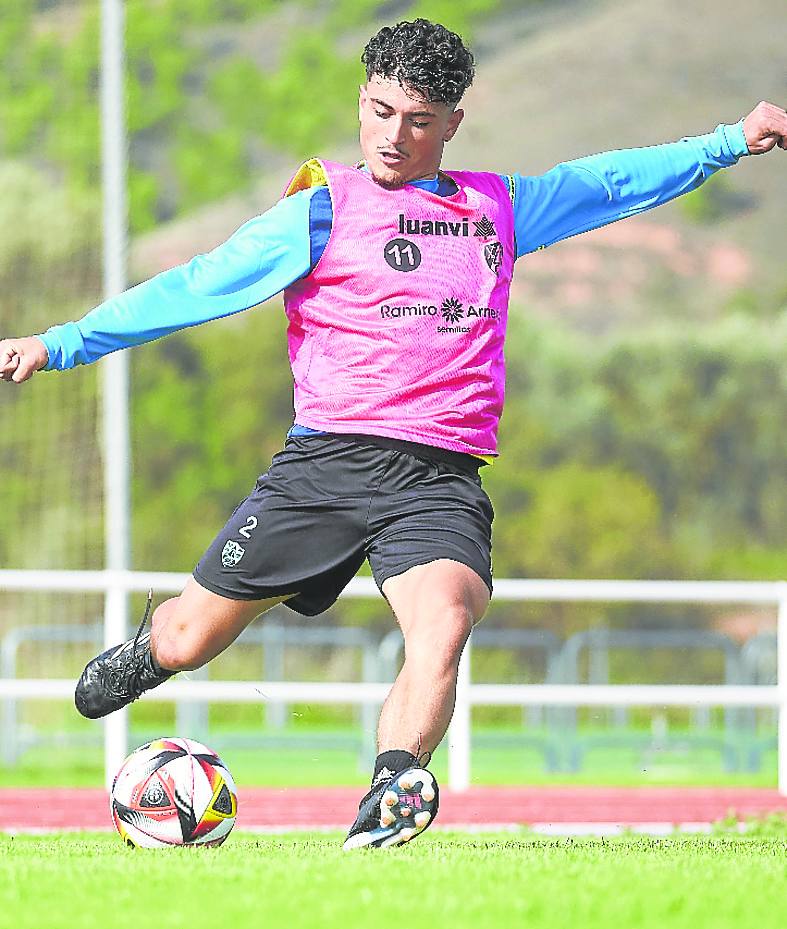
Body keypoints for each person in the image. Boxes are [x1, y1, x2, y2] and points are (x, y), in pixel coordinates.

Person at [1, 18, 785, 849]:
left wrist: (729, 141)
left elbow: (610, 181)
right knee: (193, 639)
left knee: (443, 616)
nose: (393, 136)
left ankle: (391, 791)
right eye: (379, 112)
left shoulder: (500, 209)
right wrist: (60, 343)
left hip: (439, 478)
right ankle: (156, 645)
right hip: (323, 468)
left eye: (417, 120)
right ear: (361, 102)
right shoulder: (320, 211)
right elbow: (194, 287)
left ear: (451, 122)